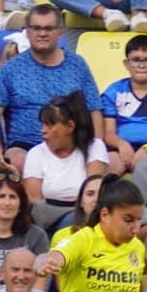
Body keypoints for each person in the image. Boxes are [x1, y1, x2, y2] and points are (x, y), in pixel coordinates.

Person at [0, 4, 103, 173]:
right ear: (27, 31)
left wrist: (97, 149)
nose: (42, 33)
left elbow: (94, 111)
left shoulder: (78, 65)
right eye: (36, 28)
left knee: (110, 163)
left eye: (49, 28)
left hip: (71, 143)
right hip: (25, 145)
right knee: (18, 160)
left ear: (60, 32)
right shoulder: (11, 69)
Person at [25, 91, 111, 230]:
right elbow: (35, 203)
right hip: (48, 217)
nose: (43, 131)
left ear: (70, 126)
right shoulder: (35, 153)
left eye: (50, 125)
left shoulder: (95, 147)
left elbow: (92, 192)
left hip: (85, 213)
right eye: (43, 125)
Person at [100, 35, 147, 173]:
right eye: (135, 60)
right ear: (126, 63)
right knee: (110, 167)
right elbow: (108, 133)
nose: (141, 65)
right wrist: (122, 145)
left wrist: (146, 148)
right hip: (117, 147)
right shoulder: (113, 91)